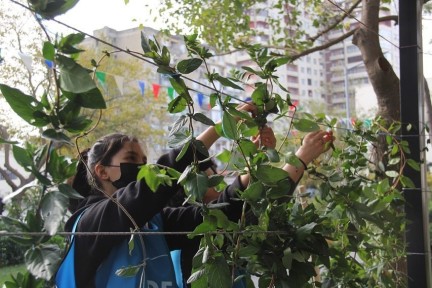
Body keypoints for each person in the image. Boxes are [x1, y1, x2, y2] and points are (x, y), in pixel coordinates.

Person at [55, 103, 334, 288]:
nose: (143, 168)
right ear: (102, 171)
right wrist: (219, 129)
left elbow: (226, 212)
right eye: (132, 159)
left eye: (145, 160)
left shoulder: (154, 223)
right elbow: (147, 192)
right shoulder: (90, 224)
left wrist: (274, 162)